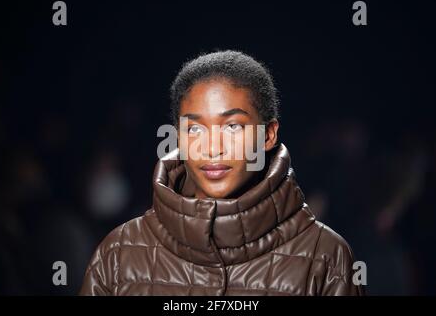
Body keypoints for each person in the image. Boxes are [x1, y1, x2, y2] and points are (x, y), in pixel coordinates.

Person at [79, 50, 364, 296]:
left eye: (232, 127)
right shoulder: (119, 254)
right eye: (194, 129)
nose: (212, 148)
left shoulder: (326, 257)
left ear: (268, 135)